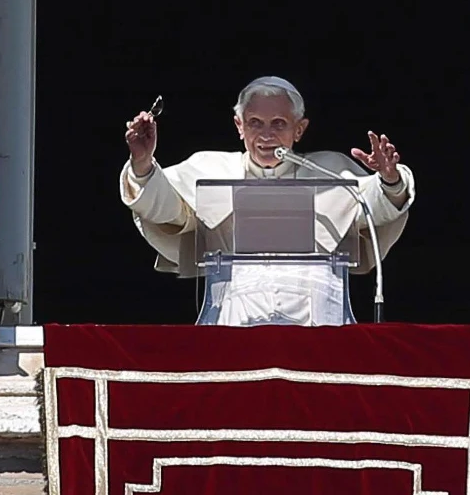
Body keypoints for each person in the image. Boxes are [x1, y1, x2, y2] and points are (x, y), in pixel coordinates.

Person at [120, 76, 415, 324]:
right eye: (255, 123)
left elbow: (373, 209)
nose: (266, 134)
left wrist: (389, 179)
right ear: (239, 126)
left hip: (320, 322)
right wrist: (143, 163)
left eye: (278, 124)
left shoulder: (329, 171)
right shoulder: (209, 169)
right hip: (236, 318)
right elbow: (167, 209)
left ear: (299, 129)